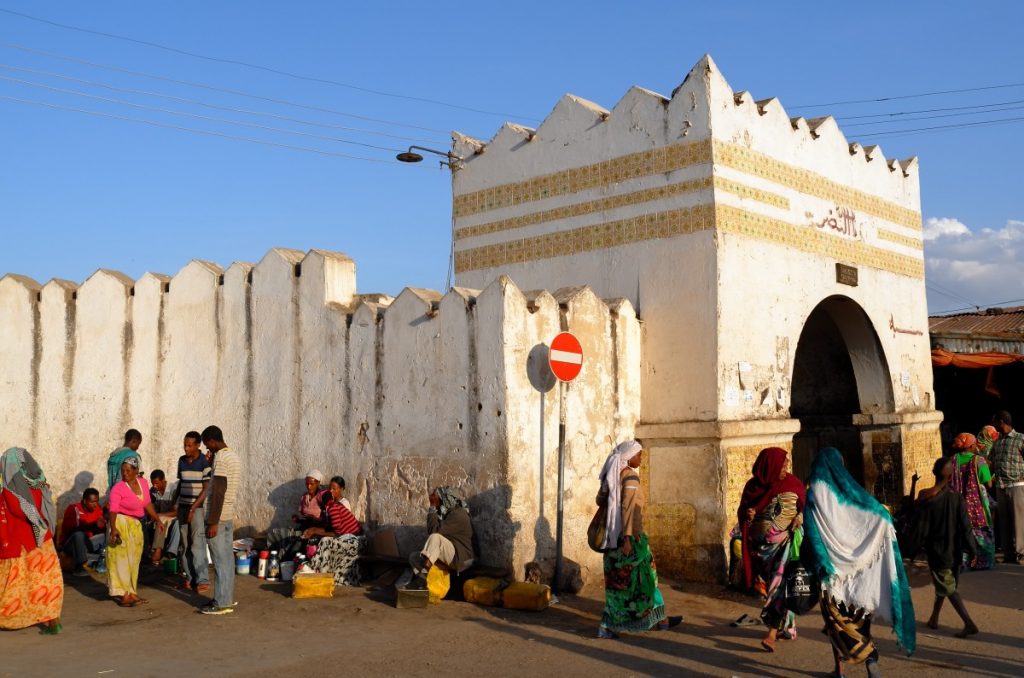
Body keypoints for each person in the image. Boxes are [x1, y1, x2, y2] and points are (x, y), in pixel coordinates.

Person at [804, 447, 915, 678]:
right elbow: (881, 515)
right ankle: (869, 663)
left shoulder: (813, 496)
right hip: (862, 576)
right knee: (861, 623)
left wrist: (820, 564)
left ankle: (844, 668)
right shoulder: (852, 494)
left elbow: (812, 537)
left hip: (831, 577)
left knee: (836, 626)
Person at [595, 441, 682, 639]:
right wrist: (627, 539)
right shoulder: (631, 476)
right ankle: (655, 620)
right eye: (638, 455)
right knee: (647, 580)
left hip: (611, 541)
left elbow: (600, 501)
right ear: (629, 457)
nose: (641, 459)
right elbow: (628, 509)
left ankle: (661, 620)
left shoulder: (611, 474)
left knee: (618, 585)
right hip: (630, 540)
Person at [736, 447, 806, 652]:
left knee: (778, 585)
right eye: (782, 464)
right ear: (771, 466)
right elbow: (744, 513)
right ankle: (789, 626)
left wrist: (799, 518)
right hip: (760, 549)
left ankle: (772, 633)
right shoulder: (753, 487)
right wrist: (748, 515)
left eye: (787, 464)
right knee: (776, 585)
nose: (786, 468)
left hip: (784, 545)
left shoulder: (793, 484)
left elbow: (804, 508)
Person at [0, 447, 63, 634]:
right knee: (47, 582)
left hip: (21, 543)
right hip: (43, 540)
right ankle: (53, 620)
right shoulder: (38, 482)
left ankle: (11, 618)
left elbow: (19, 511)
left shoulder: (11, 488)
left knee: (15, 584)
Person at [916, 456, 979, 638]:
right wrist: (973, 550)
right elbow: (966, 528)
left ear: (934, 473)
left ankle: (969, 623)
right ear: (951, 477)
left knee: (948, 587)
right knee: (945, 584)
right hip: (955, 550)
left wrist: (913, 548)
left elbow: (918, 526)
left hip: (937, 551)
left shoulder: (925, 496)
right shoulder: (957, 498)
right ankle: (934, 618)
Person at [107, 455, 165, 607]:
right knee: (121, 561)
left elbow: (146, 503)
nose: (124, 473)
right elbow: (112, 510)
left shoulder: (143, 483)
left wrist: (158, 520)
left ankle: (132, 592)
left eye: (127, 470)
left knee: (134, 560)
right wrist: (113, 529)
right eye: (122, 471)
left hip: (136, 525)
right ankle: (124, 595)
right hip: (120, 523)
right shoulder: (118, 488)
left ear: (136, 471)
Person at [199, 425, 240, 615]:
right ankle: (226, 597)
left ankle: (222, 602)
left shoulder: (222, 459)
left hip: (219, 518)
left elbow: (218, 492)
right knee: (227, 560)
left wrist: (213, 521)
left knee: (220, 560)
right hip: (227, 515)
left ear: (213, 441)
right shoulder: (232, 456)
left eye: (208, 444)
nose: (208, 449)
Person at [408, 486, 475, 587]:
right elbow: (433, 528)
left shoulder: (459, 515)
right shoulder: (448, 514)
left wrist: (432, 506)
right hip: (453, 556)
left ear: (445, 499)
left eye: (437, 498)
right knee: (414, 557)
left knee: (436, 537)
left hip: (463, 559)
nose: (435, 500)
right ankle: (424, 585)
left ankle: (422, 578)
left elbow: (434, 531)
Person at [306, 476, 364, 586]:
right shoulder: (332, 506)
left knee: (325, 542)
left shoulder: (337, 506)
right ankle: (320, 572)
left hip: (355, 539)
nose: (331, 491)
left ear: (342, 489)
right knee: (323, 540)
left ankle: (322, 573)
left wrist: (317, 531)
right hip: (345, 535)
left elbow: (338, 531)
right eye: (330, 488)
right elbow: (333, 526)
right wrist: (315, 529)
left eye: (334, 488)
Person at [949, 433, 995, 570]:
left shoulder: (952, 460)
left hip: (958, 505)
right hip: (977, 505)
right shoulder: (979, 461)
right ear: (970, 446)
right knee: (981, 531)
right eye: (975, 444)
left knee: (962, 532)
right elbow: (989, 484)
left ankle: (964, 563)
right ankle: (983, 562)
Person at [177, 431, 211, 594]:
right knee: (185, 545)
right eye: (184, 445)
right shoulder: (181, 461)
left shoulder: (204, 462)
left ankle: (202, 579)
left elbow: (205, 490)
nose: (186, 448)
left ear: (198, 445)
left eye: (189, 445)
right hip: (182, 508)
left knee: (198, 545)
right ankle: (190, 577)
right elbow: (181, 483)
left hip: (196, 509)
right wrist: (175, 503)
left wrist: (192, 509)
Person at [990, 411, 1024, 564]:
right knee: (1004, 522)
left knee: (1019, 521)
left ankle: (1020, 553)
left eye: (995, 422)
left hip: (1016, 484)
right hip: (1000, 486)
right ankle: (1008, 553)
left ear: (1001, 422)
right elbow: (991, 461)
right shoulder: (997, 442)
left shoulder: (1020, 438)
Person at [266, 469, 330, 547]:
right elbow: (303, 517)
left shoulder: (322, 497)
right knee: (274, 534)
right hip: (303, 528)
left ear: (318, 483)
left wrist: (315, 519)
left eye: (312, 484)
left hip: (315, 531)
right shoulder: (304, 497)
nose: (309, 486)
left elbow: (328, 519)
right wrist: (298, 519)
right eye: (307, 484)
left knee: (292, 543)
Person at [59, 487, 106, 577]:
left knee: (108, 533)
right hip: (71, 544)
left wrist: (103, 524)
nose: (95, 505)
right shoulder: (73, 508)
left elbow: (98, 528)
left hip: (89, 543)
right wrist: (93, 525)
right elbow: (71, 531)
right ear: (84, 501)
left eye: (96, 501)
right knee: (79, 535)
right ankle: (79, 567)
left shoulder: (98, 509)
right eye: (92, 502)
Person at [147, 469, 180, 565]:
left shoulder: (174, 489)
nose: (154, 486)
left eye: (157, 483)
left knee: (163, 520)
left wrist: (160, 515)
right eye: (153, 483)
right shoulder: (152, 491)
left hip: (172, 517)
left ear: (163, 480)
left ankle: (159, 551)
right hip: (160, 519)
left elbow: (177, 512)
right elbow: (151, 508)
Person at [106, 429, 143, 493]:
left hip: (114, 493)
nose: (138, 447)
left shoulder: (113, 455)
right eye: (138, 444)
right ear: (134, 441)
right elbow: (139, 477)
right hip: (128, 494)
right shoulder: (134, 456)